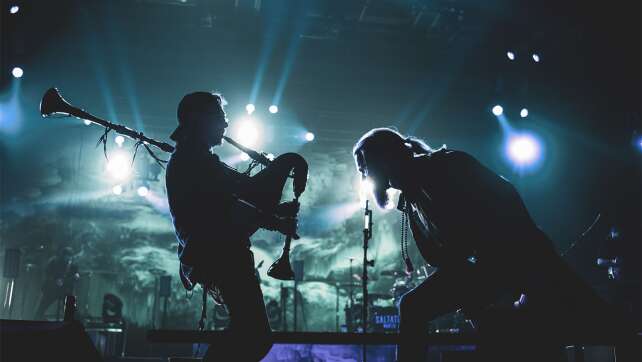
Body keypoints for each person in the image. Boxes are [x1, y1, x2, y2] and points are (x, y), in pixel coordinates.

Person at [352, 128, 636, 362]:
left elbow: (500, 212)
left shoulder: (446, 167)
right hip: (497, 267)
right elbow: (446, 258)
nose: (366, 177)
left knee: (610, 325)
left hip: (522, 259)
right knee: (414, 307)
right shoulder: (415, 194)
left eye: (366, 168)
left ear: (384, 159)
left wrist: (498, 289)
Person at [165, 91, 298, 361]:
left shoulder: (197, 160)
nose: (225, 125)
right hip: (221, 256)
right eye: (219, 117)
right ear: (197, 119)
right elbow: (233, 205)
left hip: (220, 254)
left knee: (249, 332)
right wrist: (273, 213)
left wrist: (273, 216)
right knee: (255, 334)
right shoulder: (194, 161)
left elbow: (233, 202)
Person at [34, 246, 79, 320]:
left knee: (71, 308)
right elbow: (47, 273)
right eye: (67, 256)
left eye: (70, 257)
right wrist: (55, 280)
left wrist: (76, 275)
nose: (68, 258)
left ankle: (71, 323)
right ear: (63, 255)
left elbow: (75, 274)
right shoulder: (54, 261)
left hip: (65, 290)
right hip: (52, 289)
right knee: (41, 308)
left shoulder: (73, 265)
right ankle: (37, 321)